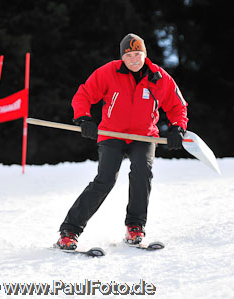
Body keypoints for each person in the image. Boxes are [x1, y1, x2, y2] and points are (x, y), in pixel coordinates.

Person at [57, 33, 189, 250]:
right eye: (129, 55)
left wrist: (177, 127)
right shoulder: (109, 72)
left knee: (142, 173)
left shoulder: (159, 77)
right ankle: (69, 231)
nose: (134, 59)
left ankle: (135, 227)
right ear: (122, 57)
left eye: (138, 54)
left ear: (145, 55)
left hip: (143, 136)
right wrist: (84, 118)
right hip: (112, 134)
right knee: (105, 180)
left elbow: (178, 106)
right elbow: (83, 95)